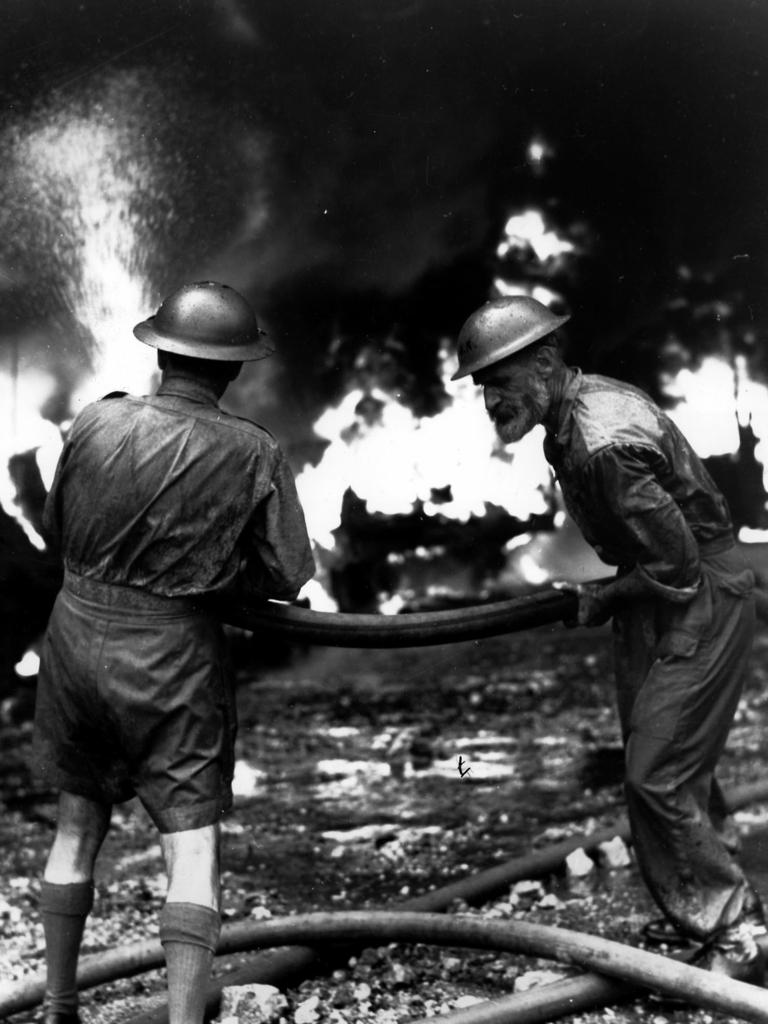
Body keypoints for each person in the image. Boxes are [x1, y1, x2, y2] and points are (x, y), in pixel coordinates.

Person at [452, 295, 765, 982]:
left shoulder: (601, 443)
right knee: (670, 762)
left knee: (655, 773)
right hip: (660, 589)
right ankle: (711, 904)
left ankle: (736, 935)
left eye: (498, 381)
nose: (490, 399)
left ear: (543, 361)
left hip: (697, 595)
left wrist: (599, 599)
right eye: (482, 386)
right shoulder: (570, 418)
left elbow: (677, 570)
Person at [33, 281, 315, 1024]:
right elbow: (289, 574)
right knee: (190, 851)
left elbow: (57, 524)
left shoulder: (96, 421)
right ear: (235, 369)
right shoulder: (252, 450)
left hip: (72, 640)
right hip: (170, 657)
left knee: (75, 825)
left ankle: (58, 1007)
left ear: (159, 351)